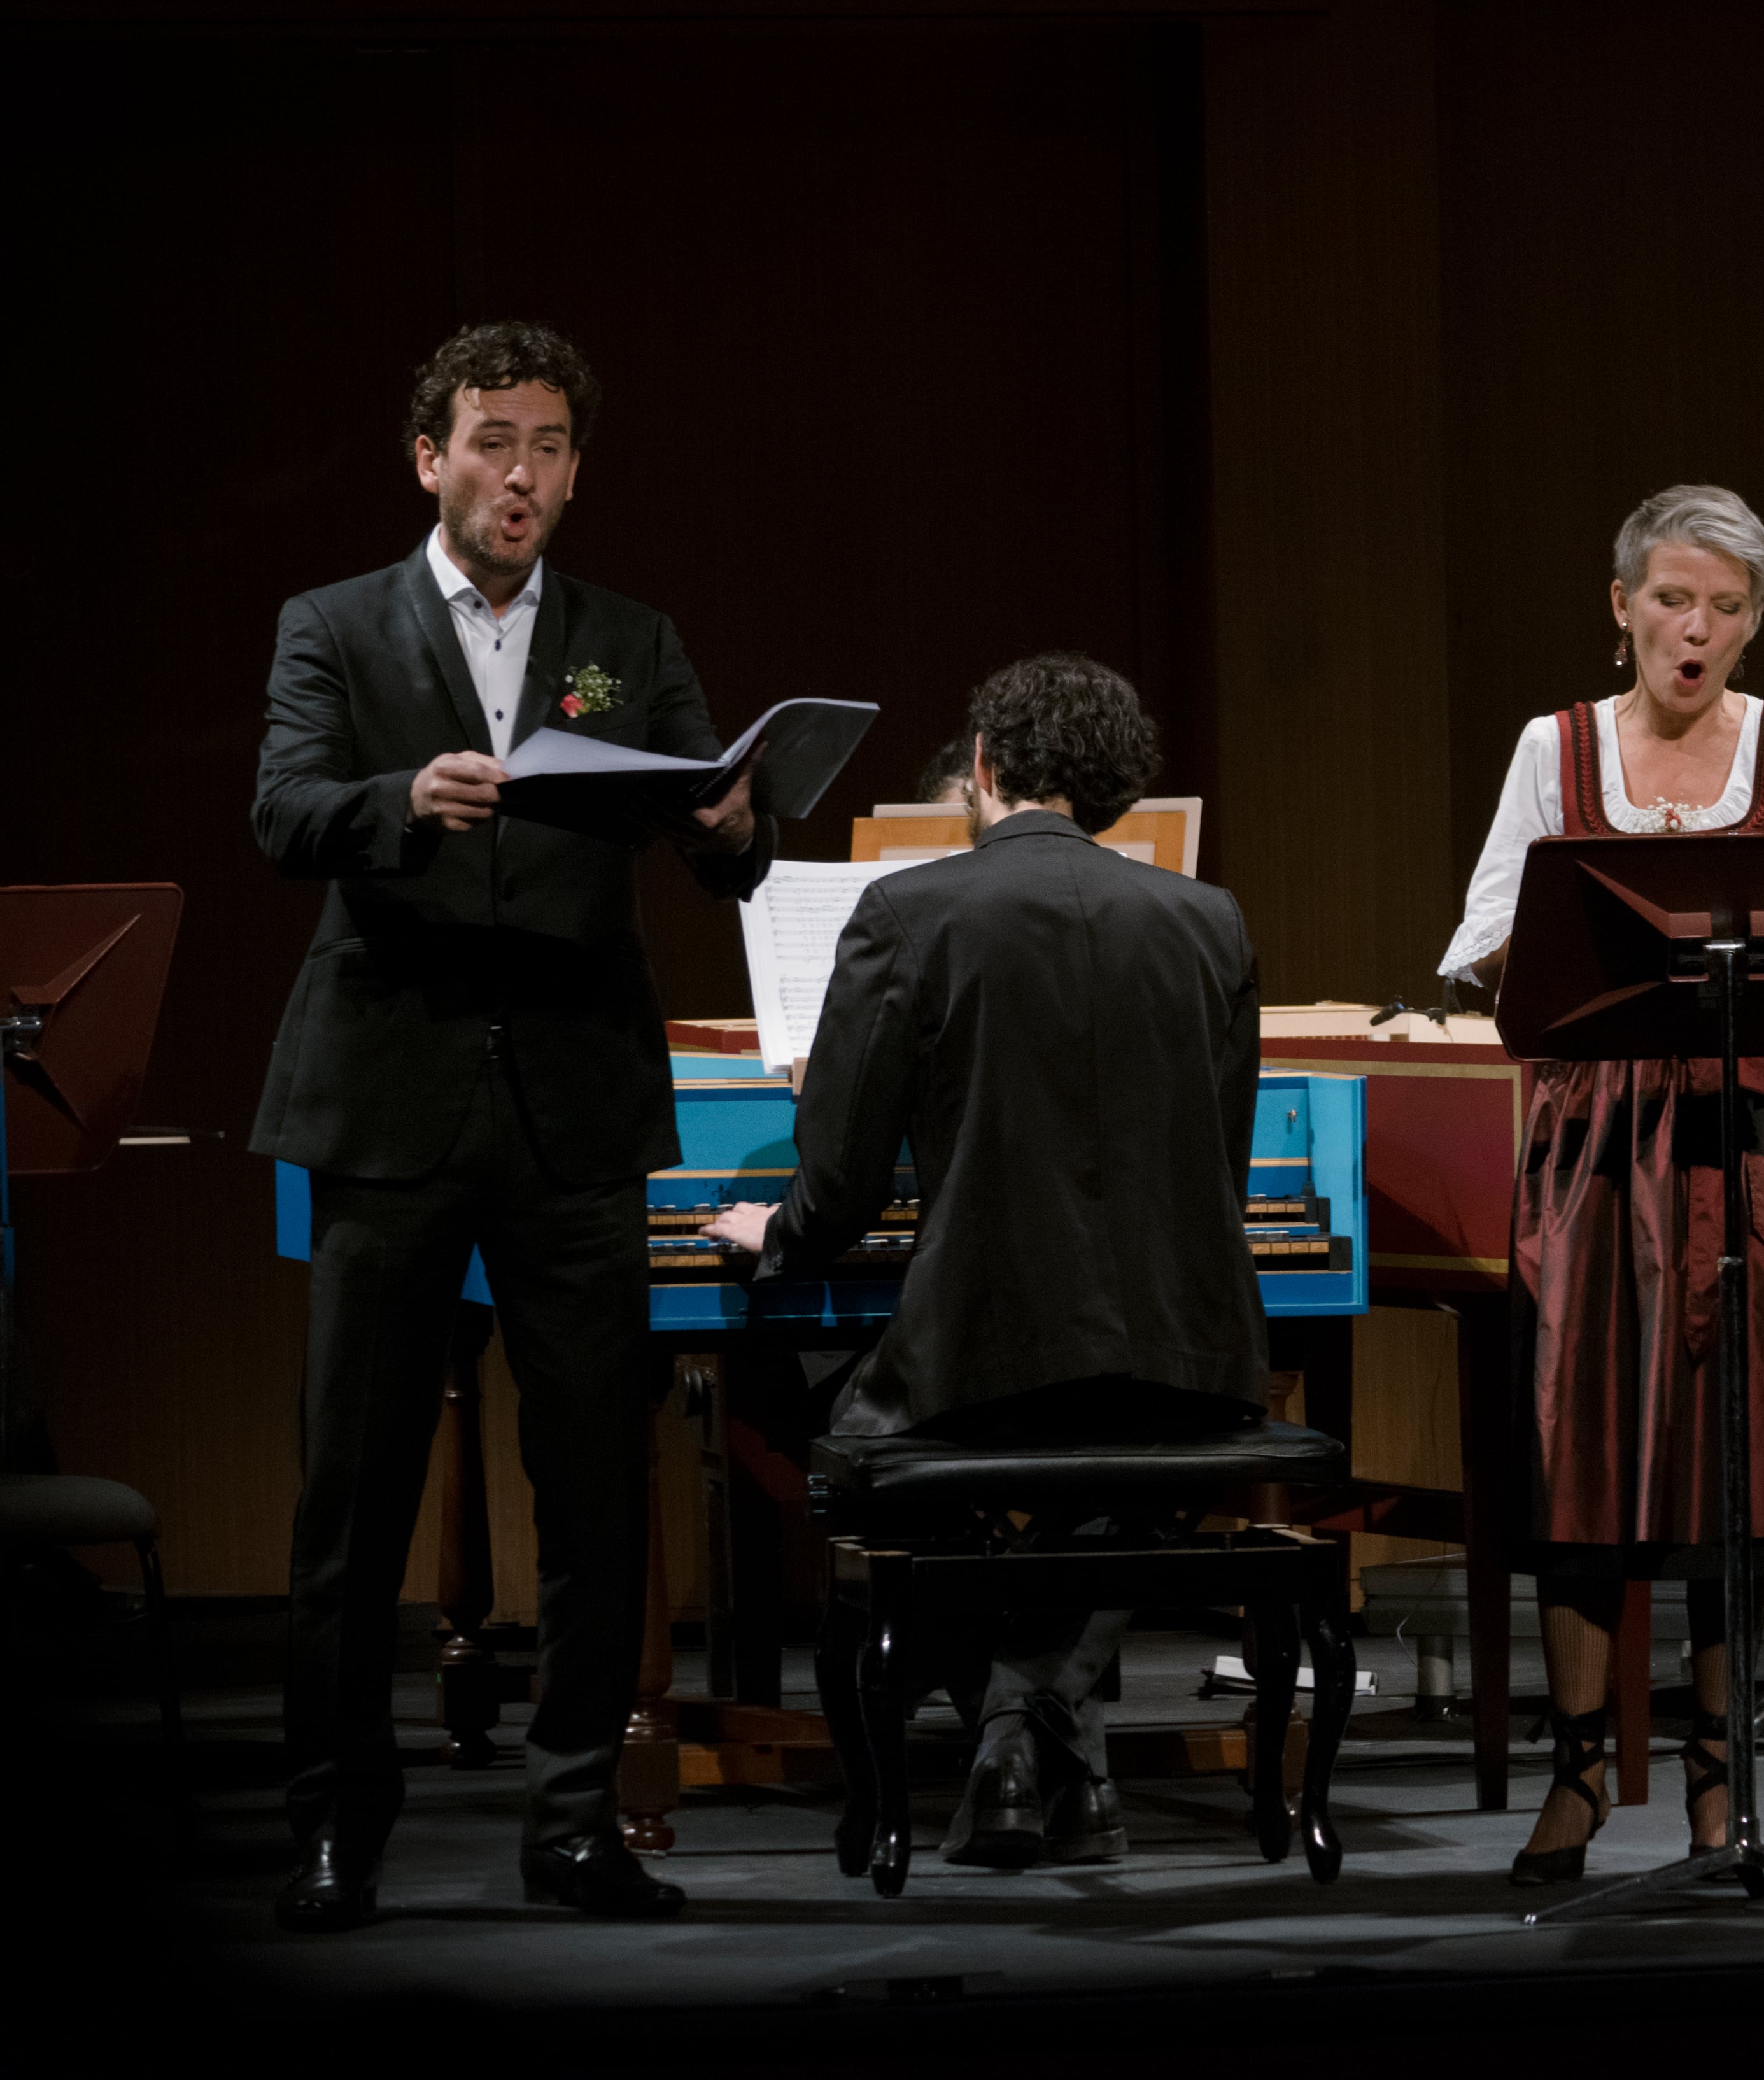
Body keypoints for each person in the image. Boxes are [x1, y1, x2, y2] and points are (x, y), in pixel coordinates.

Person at [253, 322, 770, 1931]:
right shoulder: (334, 625)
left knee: (596, 1485)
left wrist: (742, 821)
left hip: (571, 1107)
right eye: (491, 441)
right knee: (356, 1487)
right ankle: (338, 1825)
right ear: (431, 458)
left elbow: (724, 857)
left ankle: (575, 1826)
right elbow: (282, 811)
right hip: (393, 1096)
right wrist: (399, 802)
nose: (521, 472)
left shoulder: (626, 634)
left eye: (547, 444)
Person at [707, 655, 1267, 1864]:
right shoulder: (1209, 919)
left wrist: (782, 1230)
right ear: (1116, 789)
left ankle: (1010, 1724)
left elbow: (844, 1177)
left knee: (821, 1418)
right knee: (1117, 1469)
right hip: (1191, 1358)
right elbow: (1217, 1173)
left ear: (981, 768)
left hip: (987, 1352)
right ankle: (1054, 1739)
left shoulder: (908, 913)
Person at [1441, 484, 1764, 1883]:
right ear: (1621, 609)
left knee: (1739, 1455)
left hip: (1757, 1139)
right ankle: (1580, 1775)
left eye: (1722, 607)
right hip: (1600, 1146)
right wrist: (1541, 941)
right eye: (1669, 599)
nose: (1692, 628)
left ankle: (1721, 1781)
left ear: (1752, 623)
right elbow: (1479, 930)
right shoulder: (1557, 745)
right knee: (1583, 1448)